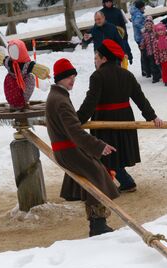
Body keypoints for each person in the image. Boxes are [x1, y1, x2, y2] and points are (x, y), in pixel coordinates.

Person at [76, 39, 163, 193]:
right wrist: (152, 116)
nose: (95, 61)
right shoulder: (127, 74)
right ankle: (123, 182)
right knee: (115, 152)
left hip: (105, 119)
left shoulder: (97, 76)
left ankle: (121, 183)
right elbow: (139, 98)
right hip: (124, 118)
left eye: (96, 57)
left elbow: (90, 102)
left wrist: (77, 120)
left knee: (104, 153)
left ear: (104, 58)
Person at [45, 58, 120, 237]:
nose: (72, 80)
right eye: (68, 77)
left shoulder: (58, 96)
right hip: (68, 150)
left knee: (96, 170)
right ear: (59, 79)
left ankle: (98, 222)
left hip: (67, 149)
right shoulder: (60, 100)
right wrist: (99, 147)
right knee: (96, 174)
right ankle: (98, 224)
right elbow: (75, 132)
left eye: (74, 77)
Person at [141, 16, 161, 83]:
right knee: (152, 65)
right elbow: (143, 41)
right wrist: (142, 46)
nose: (148, 26)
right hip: (150, 52)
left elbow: (159, 39)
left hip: (157, 51)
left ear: (152, 25)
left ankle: (160, 74)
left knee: (158, 64)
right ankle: (155, 77)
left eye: (149, 24)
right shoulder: (144, 34)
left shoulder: (155, 32)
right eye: (146, 25)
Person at [129, 0, 147, 76]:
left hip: (138, 37)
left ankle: (145, 70)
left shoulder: (135, 13)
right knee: (144, 54)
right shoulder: (138, 14)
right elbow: (136, 23)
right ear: (140, 7)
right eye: (143, 7)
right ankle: (145, 70)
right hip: (141, 37)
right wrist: (143, 28)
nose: (144, 8)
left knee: (143, 53)